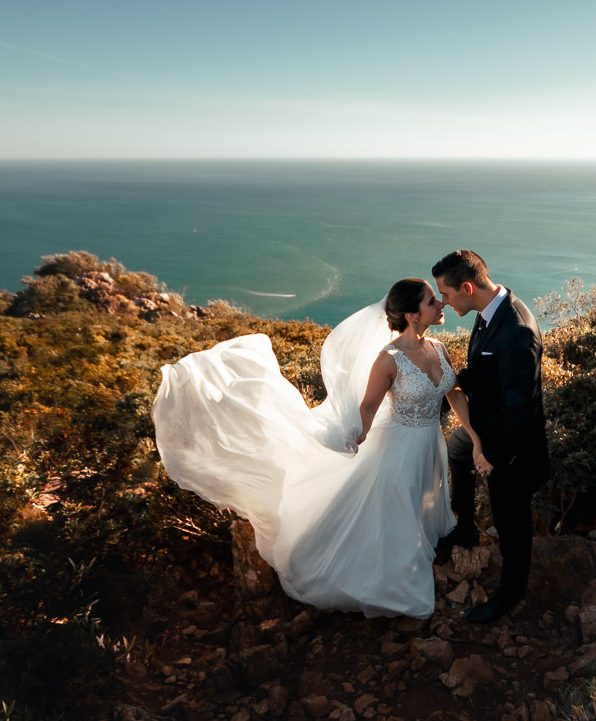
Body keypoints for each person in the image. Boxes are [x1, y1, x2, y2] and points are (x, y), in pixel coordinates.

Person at [151, 278, 488, 619]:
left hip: (429, 446)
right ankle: (394, 582)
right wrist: (356, 435)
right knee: (396, 512)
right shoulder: (389, 360)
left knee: (417, 506)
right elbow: (369, 407)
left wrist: (476, 438)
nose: (441, 304)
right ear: (412, 315)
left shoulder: (438, 349)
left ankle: (414, 554)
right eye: (433, 301)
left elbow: (454, 394)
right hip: (396, 451)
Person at [433, 250, 550, 624]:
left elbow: (521, 407)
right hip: (489, 427)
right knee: (457, 448)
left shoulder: (517, 330)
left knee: (511, 521)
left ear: (467, 288)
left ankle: (510, 596)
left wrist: (492, 454)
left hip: (513, 449)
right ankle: (465, 528)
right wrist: (450, 382)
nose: (443, 303)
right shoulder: (488, 313)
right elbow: (488, 372)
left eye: (446, 295)